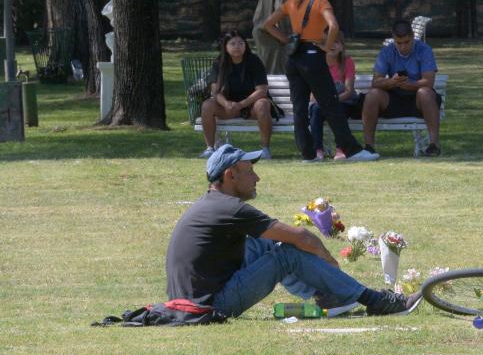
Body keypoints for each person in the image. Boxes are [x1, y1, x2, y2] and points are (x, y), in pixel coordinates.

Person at [165, 144, 422, 318]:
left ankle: (328, 295)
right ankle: (375, 300)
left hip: (191, 301)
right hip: (210, 306)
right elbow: (302, 237)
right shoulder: (229, 209)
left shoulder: (212, 203)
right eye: (250, 171)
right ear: (230, 175)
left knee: (264, 245)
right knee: (286, 254)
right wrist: (330, 262)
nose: (257, 178)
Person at [261, 0, 378, 162]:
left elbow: (267, 25)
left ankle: (308, 154)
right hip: (312, 55)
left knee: (299, 108)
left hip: (294, 57)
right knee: (331, 104)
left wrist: (286, 40)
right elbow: (334, 26)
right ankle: (352, 151)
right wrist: (326, 47)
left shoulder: (291, 3)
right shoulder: (321, 2)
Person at [364, 20, 442, 156]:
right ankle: (369, 146)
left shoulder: (424, 50)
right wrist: (392, 82)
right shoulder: (386, 51)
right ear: (393, 39)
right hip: (393, 97)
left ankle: (434, 145)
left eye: (407, 42)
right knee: (372, 95)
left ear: (412, 37)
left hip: (417, 99)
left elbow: (429, 82)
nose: (403, 47)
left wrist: (410, 85)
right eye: (399, 43)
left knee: (425, 92)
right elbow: (375, 82)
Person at [199, 31, 273, 159]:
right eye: (232, 44)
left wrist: (241, 104)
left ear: (245, 45)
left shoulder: (253, 60)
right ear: (225, 47)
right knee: (207, 105)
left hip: (251, 107)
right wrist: (226, 103)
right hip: (229, 107)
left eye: (240, 43)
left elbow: (262, 90)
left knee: (263, 104)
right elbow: (215, 91)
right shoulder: (219, 62)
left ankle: (265, 149)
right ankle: (210, 148)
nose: (237, 47)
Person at [308, 31, 357, 161]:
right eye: (326, 42)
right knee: (315, 109)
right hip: (321, 103)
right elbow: (312, 94)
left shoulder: (347, 62)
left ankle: (341, 148)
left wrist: (333, 102)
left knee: (339, 109)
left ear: (342, 45)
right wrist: (326, 102)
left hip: (343, 101)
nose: (331, 45)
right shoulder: (316, 63)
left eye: (336, 42)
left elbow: (349, 91)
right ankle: (317, 150)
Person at [252, 0, 298, 74]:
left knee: (266, 74)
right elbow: (282, 11)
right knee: (277, 77)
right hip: (273, 36)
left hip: (262, 33)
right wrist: (286, 38)